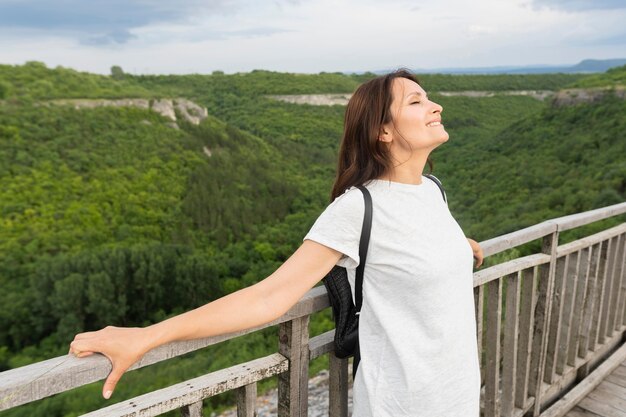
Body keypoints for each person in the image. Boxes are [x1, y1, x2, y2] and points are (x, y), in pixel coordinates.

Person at [69, 69, 484, 416]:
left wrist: (455, 249)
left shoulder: (432, 189)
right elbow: (268, 297)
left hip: (460, 395)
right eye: (416, 102)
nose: (436, 106)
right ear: (383, 131)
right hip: (405, 405)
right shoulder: (358, 207)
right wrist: (147, 336)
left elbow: (413, 247)